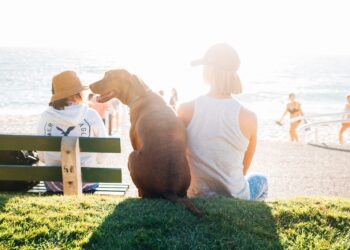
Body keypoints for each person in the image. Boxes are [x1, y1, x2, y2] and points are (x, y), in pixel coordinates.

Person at [177, 43, 268, 200]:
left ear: (210, 69)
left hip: (196, 193)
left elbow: (180, 155)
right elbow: (243, 171)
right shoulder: (249, 117)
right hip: (236, 196)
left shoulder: (185, 109)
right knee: (261, 180)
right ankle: (252, 217)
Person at [37, 71, 107, 192]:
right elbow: (103, 149)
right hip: (86, 181)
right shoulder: (91, 114)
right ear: (78, 93)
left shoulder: (45, 116)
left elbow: (42, 155)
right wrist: (95, 161)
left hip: (54, 183)